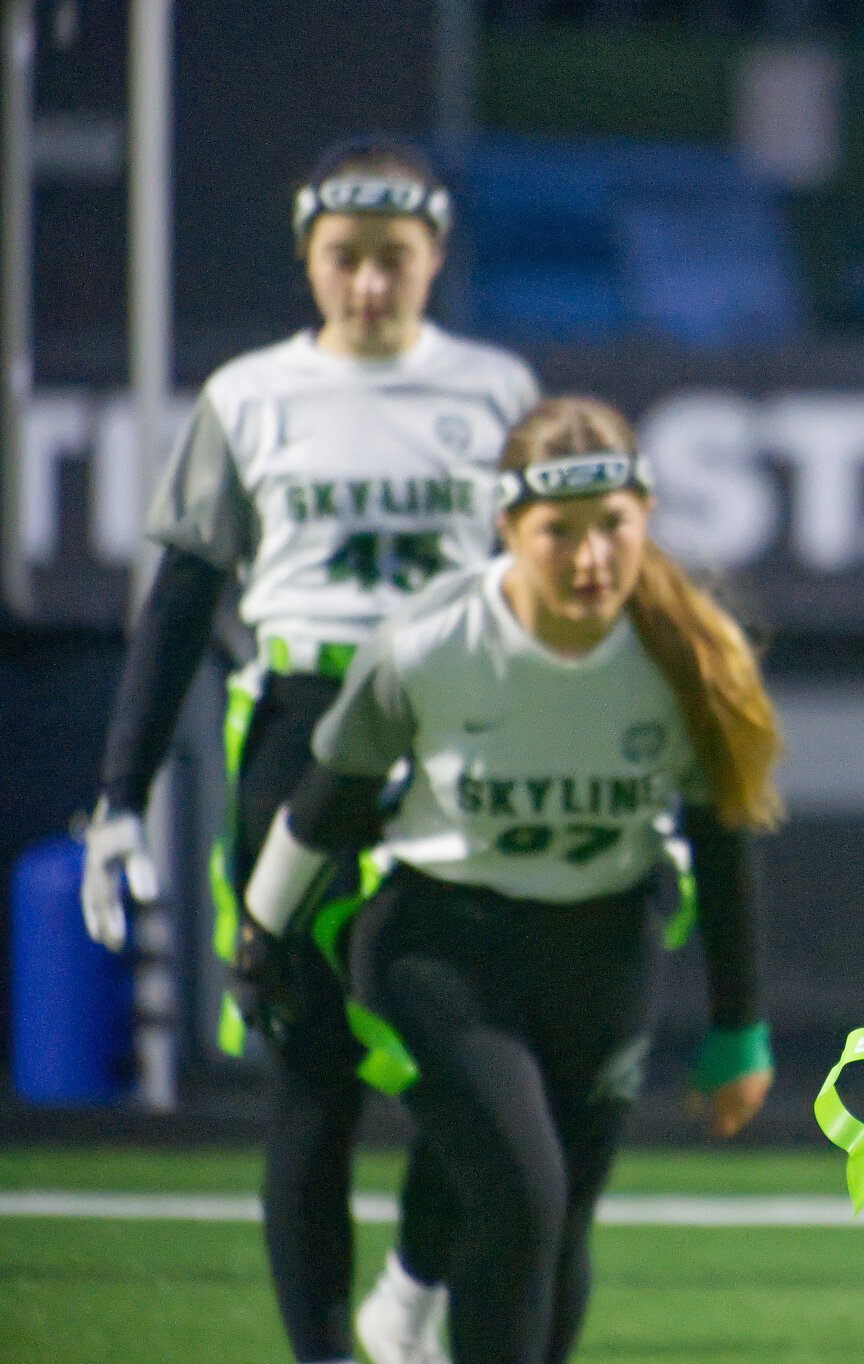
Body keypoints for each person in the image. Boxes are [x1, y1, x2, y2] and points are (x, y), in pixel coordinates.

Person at [76, 137, 539, 1364]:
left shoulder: (496, 392)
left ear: (434, 255)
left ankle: (409, 1296)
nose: (371, 285)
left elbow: (553, 593)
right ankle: (327, 1352)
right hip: (302, 731)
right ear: (308, 258)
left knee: (483, 1061)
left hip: (462, 742)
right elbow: (180, 601)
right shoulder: (249, 395)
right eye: (347, 259)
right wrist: (119, 793)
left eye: (395, 258)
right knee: (312, 1067)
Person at [240, 396, 780, 1364]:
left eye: (610, 527)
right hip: (441, 944)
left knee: (561, 1220)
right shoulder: (429, 643)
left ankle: (406, 1313)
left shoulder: (692, 655)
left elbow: (725, 834)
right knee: (522, 1194)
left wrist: (739, 1027)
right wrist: (258, 934)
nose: (588, 559)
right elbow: (326, 804)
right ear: (505, 527)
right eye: (556, 533)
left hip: (605, 948)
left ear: (646, 516)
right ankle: (405, 1309)